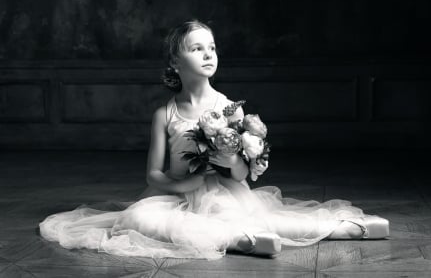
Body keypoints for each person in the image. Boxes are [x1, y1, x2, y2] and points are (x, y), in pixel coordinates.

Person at [39, 20, 389, 260]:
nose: (208, 54)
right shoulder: (165, 114)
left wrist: (231, 160)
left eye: (212, 47)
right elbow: (153, 176)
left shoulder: (230, 109)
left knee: (271, 220)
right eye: (197, 48)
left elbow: (239, 175)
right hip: (172, 198)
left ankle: (344, 228)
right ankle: (241, 242)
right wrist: (186, 182)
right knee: (142, 222)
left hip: (225, 195)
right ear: (176, 62)